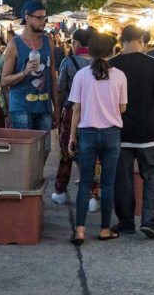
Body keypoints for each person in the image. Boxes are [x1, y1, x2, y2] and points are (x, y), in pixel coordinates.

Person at [110, 25, 154, 239]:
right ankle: (149, 222)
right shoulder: (153, 63)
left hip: (119, 131)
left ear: (121, 40)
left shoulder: (111, 65)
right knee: (152, 175)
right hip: (148, 132)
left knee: (123, 179)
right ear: (142, 40)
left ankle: (126, 223)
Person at [68, 33, 126, 244]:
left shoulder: (81, 75)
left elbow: (76, 109)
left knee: (85, 184)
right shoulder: (120, 76)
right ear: (112, 51)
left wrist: (72, 136)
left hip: (88, 134)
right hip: (112, 134)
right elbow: (123, 108)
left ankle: (80, 230)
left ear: (89, 51)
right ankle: (104, 229)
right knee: (108, 185)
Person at [1, 0, 57, 159]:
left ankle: (36, 180)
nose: (43, 22)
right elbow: (4, 81)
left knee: (45, 150)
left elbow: (52, 74)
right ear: (27, 17)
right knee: (25, 153)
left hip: (44, 105)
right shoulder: (14, 44)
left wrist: (56, 107)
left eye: (44, 18)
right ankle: (27, 183)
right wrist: (24, 72)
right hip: (21, 106)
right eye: (39, 18)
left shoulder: (48, 41)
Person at [53, 27, 100, 211]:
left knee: (67, 152)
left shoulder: (69, 61)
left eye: (72, 42)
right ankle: (93, 196)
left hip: (73, 112)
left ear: (77, 43)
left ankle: (60, 192)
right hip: (95, 114)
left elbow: (61, 89)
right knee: (93, 155)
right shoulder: (101, 62)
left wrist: (58, 112)